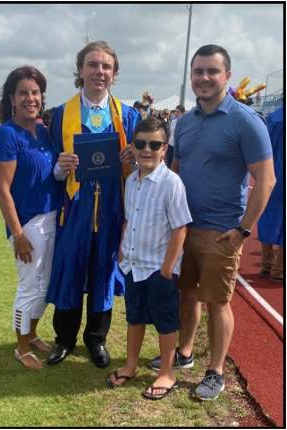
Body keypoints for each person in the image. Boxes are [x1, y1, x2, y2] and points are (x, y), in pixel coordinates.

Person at [148, 44, 275, 401]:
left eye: (211, 72)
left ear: (227, 76)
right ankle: (185, 353)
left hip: (222, 232)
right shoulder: (183, 123)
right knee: (186, 294)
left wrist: (243, 230)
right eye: (198, 72)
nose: (204, 78)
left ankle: (215, 371)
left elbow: (266, 181)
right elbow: (174, 171)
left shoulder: (246, 120)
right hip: (184, 228)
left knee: (218, 302)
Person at [46, 40, 140, 368]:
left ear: (114, 74)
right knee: (71, 268)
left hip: (113, 206)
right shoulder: (62, 114)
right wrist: (61, 165)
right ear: (80, 70)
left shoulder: (128, 116)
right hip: (75, 208)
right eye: (93, 64)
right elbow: (53, 171)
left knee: (103, 268)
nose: (99, 71)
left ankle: (96, 339)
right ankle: (64, 339)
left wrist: (135, 160)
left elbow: (144, 169)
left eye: (106, 66)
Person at [106, 117, 192, 400]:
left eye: (154, 144)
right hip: (133, 265)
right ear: (133, 146)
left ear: (165, 148)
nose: (147, 150)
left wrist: (168, 268)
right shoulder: (131, 180)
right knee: (135, 318)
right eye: (141, 143)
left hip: (159, 269)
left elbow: (180, 227)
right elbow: (129, 218)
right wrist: (122, 247)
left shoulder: (172, 183)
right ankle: (131, 364)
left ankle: (166, 373)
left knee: (166, 322)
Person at [0, 66, 61, 370]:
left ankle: (31, 334)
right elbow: (2, 190)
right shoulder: (8, 134)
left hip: (52, 217)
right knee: (28, 286)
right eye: (23, 93)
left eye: (35, 92)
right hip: (28, 223)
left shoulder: (44, 131)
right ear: (12, 98)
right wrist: (17, 233)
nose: (30, 98)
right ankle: (21, 347)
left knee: (45, 284)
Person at [258, 106, 284, 282]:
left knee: (267, 215)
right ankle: (279, 269)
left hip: (270, 172)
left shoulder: (273, 117)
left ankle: (267, 265)